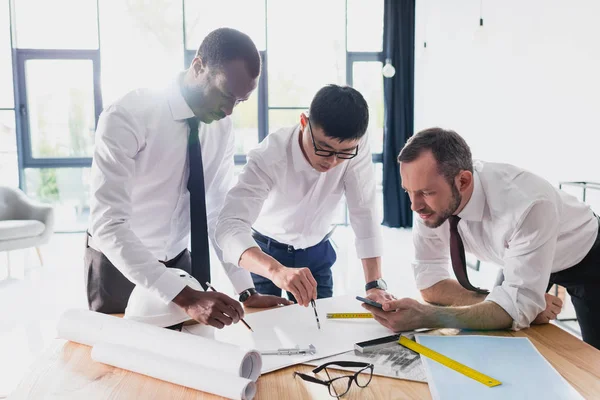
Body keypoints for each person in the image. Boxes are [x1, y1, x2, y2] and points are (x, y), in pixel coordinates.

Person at [86, 28, 290, 330]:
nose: (229, 110)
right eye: (225, 95)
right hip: (119, 267)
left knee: (182, 363)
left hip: (182, 264)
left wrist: (246, 291)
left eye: (240, 102)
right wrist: (186, 297)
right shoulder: (127, 115)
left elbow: (217, 213)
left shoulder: (221, 128)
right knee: (119, 367)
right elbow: (108, 224)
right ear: (198, 67)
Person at [364, 127, 600, 350]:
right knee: (501, 338)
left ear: (463, 181)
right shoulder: (429, 205)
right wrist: (497, 303)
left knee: (594, 361)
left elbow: (512, 309)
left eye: (426, 192)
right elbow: (430, 282)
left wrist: (427, 316)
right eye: (409, 191)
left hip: (586, 256)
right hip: (515, 253)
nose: (414, 206)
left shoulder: (527, 205)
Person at [215, 84, 394, 307]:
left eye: (343, 153)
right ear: (303, 123)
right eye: (323, 148)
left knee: (319, 328)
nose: (332, 161)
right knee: (264, 330)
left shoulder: (355, 145)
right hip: (264, 252)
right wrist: (276, 270)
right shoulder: (270, 155)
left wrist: (374, 285)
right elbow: (229, 226)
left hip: (317, 253)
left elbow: (363, 210)